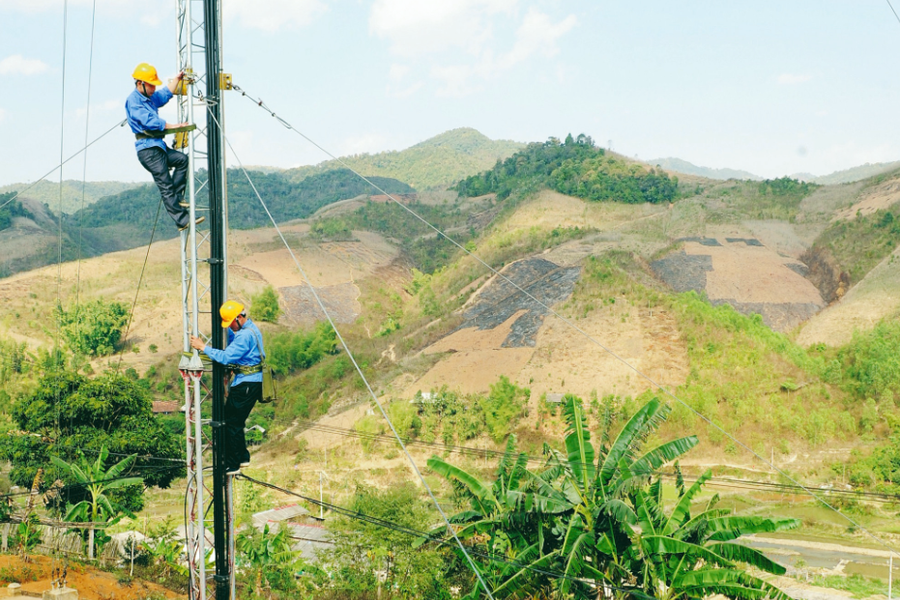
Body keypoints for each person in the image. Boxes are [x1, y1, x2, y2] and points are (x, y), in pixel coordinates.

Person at [125, 62, 203, 232]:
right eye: (151, 85)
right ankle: (182, 220)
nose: (153, 88)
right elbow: (150, 122)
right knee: (165, 185)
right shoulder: (133, 102)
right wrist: (174, 126)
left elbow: (164, 94)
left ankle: (177, 196)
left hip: (158, 147)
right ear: (140, 84)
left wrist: (177, 79)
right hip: (149, 151)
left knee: (182, 160)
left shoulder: (149, 97)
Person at [190, 300, 264, 474]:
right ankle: (243, 457)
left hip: (246, 384)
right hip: (250, 382)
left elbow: (226, 357)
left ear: (239, 318)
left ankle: (233, 463)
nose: (230, 326)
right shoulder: (249, 330)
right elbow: (233, 339)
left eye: (231, 322)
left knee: (231, 422)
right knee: (236, 421)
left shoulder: (245, 336)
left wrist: (203, 347)